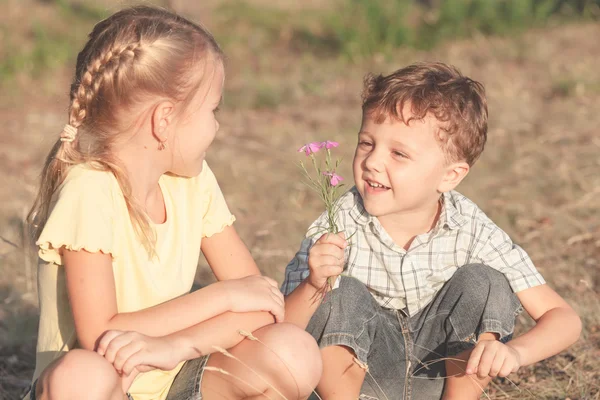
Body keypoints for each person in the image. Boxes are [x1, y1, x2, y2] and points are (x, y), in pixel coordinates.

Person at [25, 6, 321, 400]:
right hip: (108, 387)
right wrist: (222, 296)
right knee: (81, 376)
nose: (217, 126)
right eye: (213, 109)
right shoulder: (89, 191)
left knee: (292, 351)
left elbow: (262, 306)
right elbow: (101, 335)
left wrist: (177, 347)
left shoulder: (193, 182)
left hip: (175, 378)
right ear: (164, 120)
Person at [282, 62, 581, 400]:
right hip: (361, 381)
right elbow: (281, 332)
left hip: (441, 376)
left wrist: (515, 353)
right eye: (367, 143)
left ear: (450, 176)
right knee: (339, 293)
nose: (372, 161)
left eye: (398, 153)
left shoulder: (472, 228)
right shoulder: (336, 225)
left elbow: (564, 319)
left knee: (485, 282)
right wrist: (313, 284)